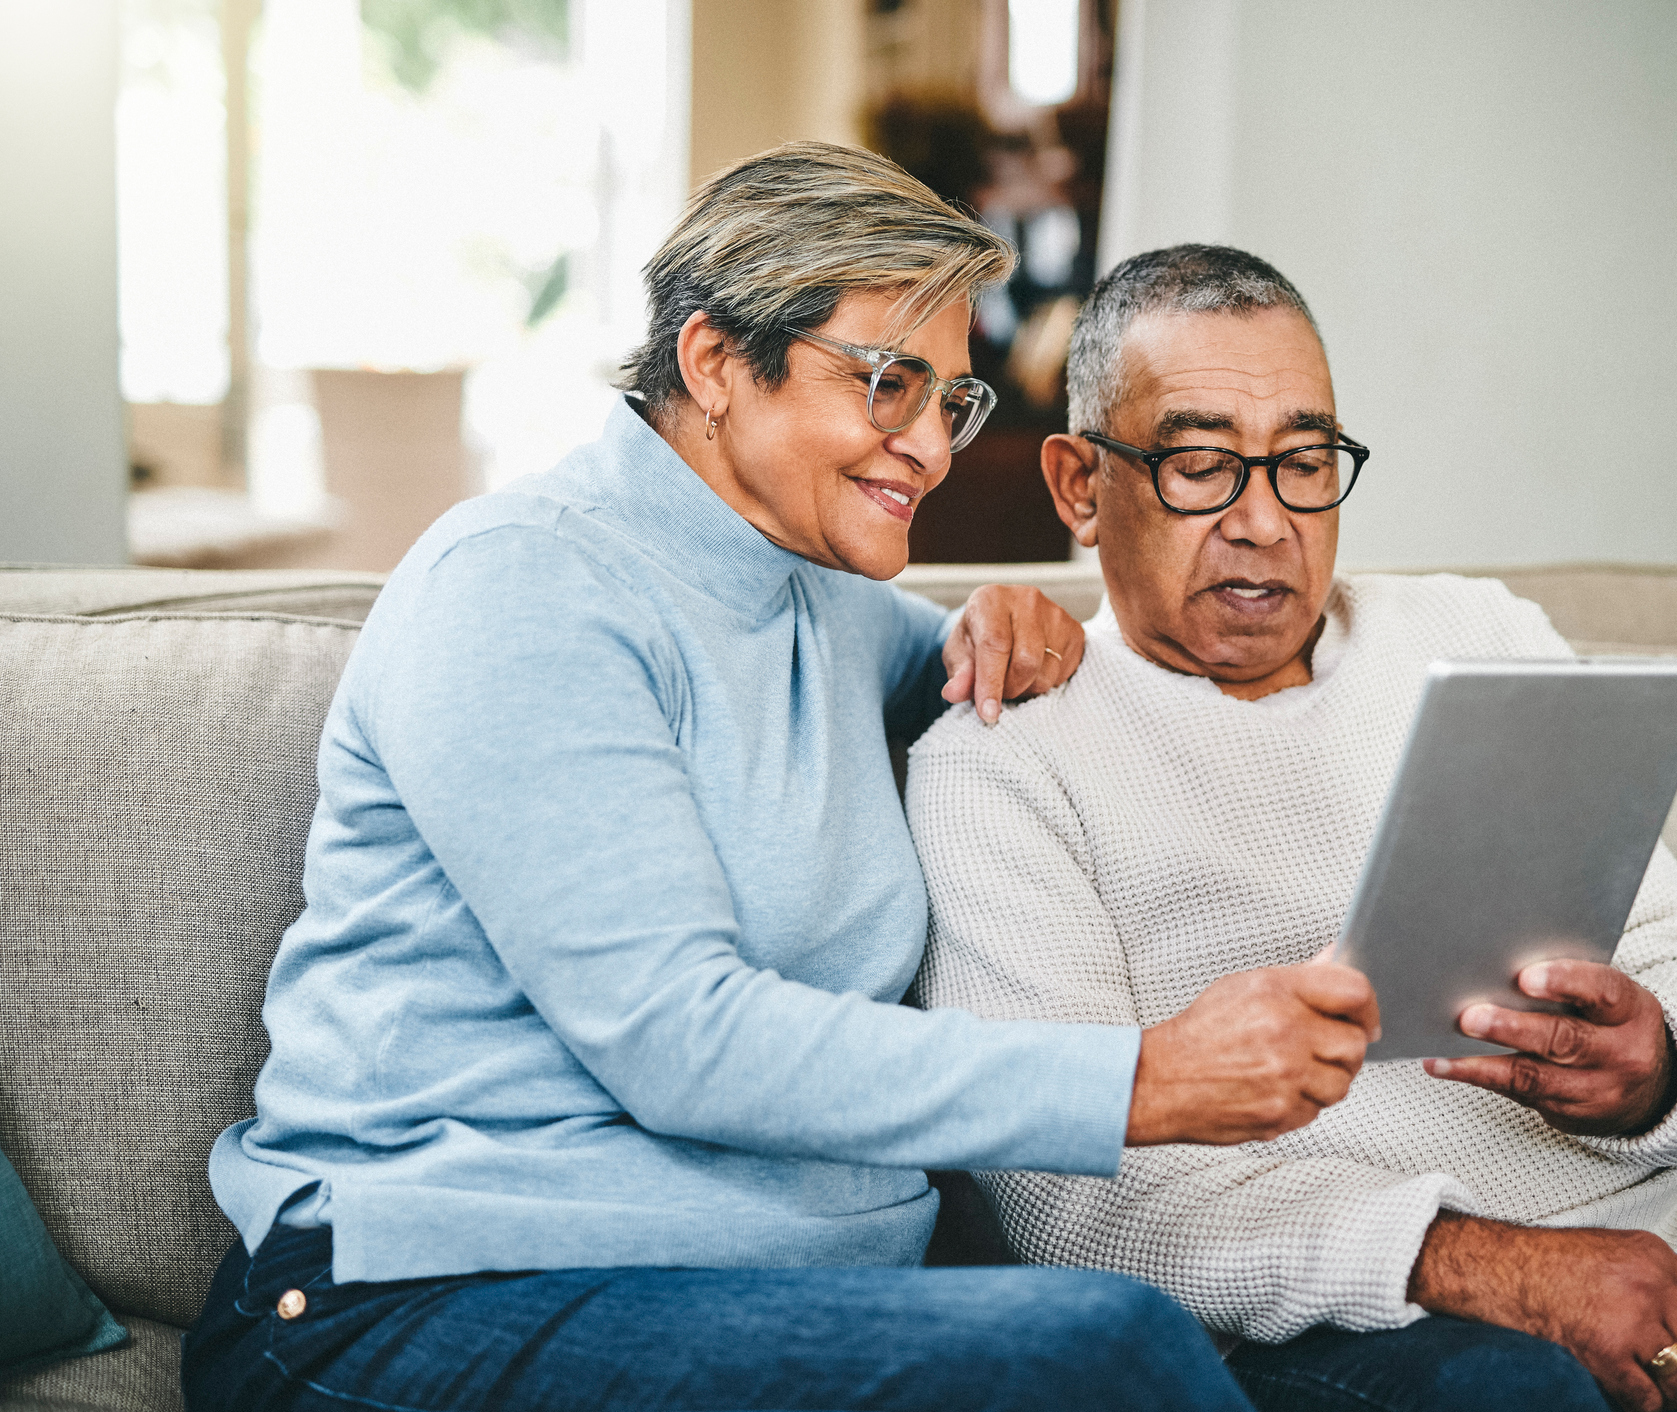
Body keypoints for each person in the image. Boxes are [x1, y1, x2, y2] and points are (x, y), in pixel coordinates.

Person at [182, 152, 1380, 1412]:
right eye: (884, 384)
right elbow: (678, 1038)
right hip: (418, 1300)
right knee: (1102, 1347)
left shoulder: (831, 604)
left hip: (770, 1295)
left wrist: (1011, 620)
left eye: (951, 400)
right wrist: (1139, 1079)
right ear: (711, 363)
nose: (927, 447)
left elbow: (1004, 683)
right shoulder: (522, 583)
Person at [909, 243, 1677, 1412]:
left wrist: (1657, 1067)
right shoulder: (1007, 750)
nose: (1263, 521)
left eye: (1305, 462)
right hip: (1339, 1313)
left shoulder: (1473, 632)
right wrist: (1502, 1266)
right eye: (1203, 465)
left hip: (1660, 1237)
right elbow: (1072, 1203)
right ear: (1076, 483)